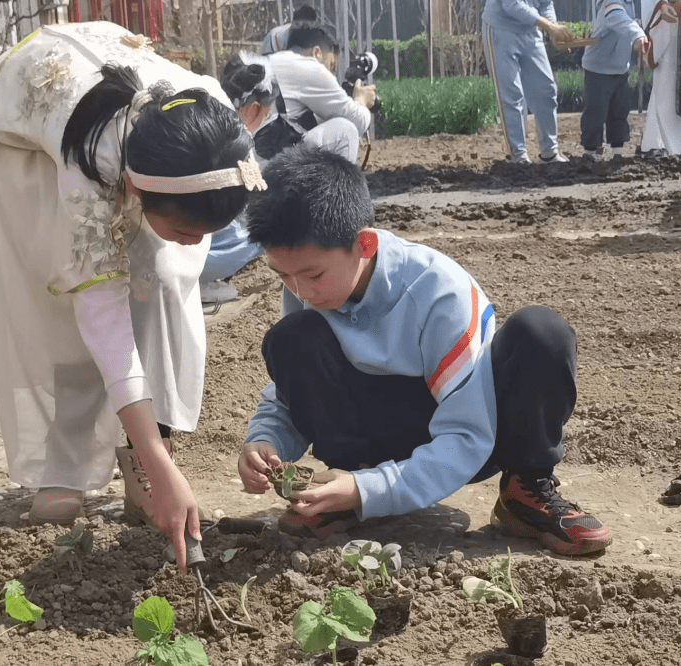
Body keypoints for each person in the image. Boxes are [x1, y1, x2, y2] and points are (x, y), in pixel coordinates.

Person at [0, 21, 263, 573]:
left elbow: (185, 236)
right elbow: (101, 317)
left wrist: (154, 458)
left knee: (166, 277)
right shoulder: (89, 167)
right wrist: (160, 465)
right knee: (66, 296)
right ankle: (68, 463)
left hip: (118, 88)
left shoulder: (213, 123)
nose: (198, 243)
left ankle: (144, 460)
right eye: (187, 228)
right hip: (25, 122)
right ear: (134, 186)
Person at [237, 144, 613, 556]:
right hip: (375, 437)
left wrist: (371, 490)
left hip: (467, 433)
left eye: (311, 275)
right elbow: (288, 389)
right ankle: (347, 487)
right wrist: (265, 441)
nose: (299, 290)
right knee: (292, 335)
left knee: (542, 332)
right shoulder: (309, 286)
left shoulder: (438, 292)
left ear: (363, 244)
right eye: (284, 276)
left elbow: (468, 434)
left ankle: (525, 492)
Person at [201, 52, 280, 306]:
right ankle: (200, 281)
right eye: (267, 111)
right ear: (254, 109)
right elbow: (257, 193)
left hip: (175, 235)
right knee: (268, 228)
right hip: (196, 251)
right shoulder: (238, 141)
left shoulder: (207, 119)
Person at [255, 21, 376, 163]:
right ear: (317, 53)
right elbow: (357, 121)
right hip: (269, 164)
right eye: (331, 66)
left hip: (248, 156)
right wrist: (361, 100)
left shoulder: (270, 61)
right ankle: (341, 186)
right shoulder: (308, 66)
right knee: (345, 130)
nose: (331, 74)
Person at [481, 0, 574, 164]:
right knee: (511, 94)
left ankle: (550, 153)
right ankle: (518, 156)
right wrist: (550, 27)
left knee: (546, 90)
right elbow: (512, 5)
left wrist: (553, 28)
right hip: (500, 30)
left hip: (531, 31)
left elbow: (546, 4)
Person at [580, 1, 649, 161]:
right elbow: (617, 17)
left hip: (620, 68)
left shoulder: (630, 3)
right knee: (596, 112)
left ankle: (618, 153)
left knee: (620, 111)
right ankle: (590, 152)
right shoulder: (610, 3)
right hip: (598, 69)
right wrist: (638, 34)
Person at [641, 0, 681, 154]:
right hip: (670, 25)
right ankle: (679, 149)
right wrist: (662, 5)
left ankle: (655, 144)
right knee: (668, 88)